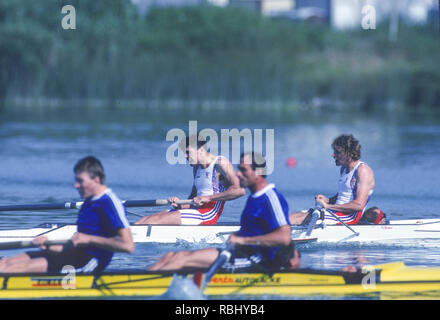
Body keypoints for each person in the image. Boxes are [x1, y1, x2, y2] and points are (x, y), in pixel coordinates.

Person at [149, 152, 300, 272]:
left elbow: (284, 237)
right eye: (238, 169)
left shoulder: (271, 197)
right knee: (172, 256)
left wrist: (243, 241)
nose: (238, 174)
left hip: (257, 261)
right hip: (241, 254)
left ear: (258, 173)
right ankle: (131, 282)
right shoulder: (254, 198)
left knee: (181, 259)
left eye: (243, 170)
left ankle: (141, 287)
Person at [0, 156, 134, 273]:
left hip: (89, 263)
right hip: (74, 256)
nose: (76, 185)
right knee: (4, 263)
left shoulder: (110, 203)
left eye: (80, 180)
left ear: (96, 180)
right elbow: (78, 244)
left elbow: (127, 246)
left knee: (13, 270)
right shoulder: (88, 203)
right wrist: (48, 245)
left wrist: (90, 239)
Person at [135, 136, 245, 225]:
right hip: (195, 211)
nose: (186, 156)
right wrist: (180, 205)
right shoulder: (196, 168)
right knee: (145, 220)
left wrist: (208, 198)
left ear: (201, 150)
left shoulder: (220, 163)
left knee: (153, 221)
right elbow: (193, 199)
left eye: (188, 152)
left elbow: (239, 190)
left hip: (207, 215)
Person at [290, 134, 375, 226]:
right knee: (293, 216)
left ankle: (280, 236)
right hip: (335, 212)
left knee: (302, 218)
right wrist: (328, 200)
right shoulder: (344, 169)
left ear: (349, 153)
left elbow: (359, 205)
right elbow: (344, 195)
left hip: (348, 217)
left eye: (337, 152)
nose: (333, 155)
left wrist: (327, 206)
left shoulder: (363, 170)